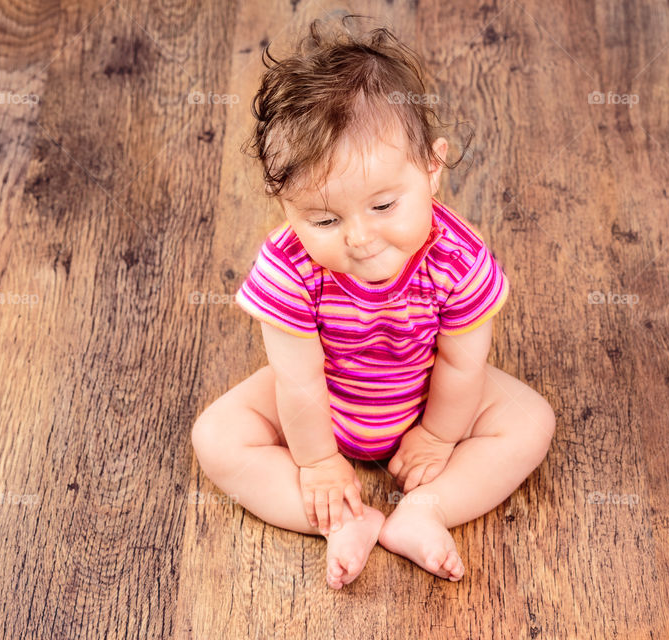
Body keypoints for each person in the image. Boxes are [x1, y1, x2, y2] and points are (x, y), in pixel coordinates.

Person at [191, 14, 556, 590]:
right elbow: (300, 383)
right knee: (217, 437)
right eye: (326, 218)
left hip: (427, 393)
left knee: (531, 422)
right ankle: (342, 520)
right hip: (324, 401)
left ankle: (428, 509)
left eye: (383, 206)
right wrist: (316, 462)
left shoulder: (455, 258)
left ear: (432, 169)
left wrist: (437, 435)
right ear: (285, 204)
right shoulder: (289, 268)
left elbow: (463, 363)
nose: (358, 238)